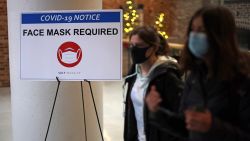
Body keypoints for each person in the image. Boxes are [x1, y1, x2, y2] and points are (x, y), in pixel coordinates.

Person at [146, 6, 250, 141]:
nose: (194, 36)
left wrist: (213, 127)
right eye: (193, 30)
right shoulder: (196, 76)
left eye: (201, 30)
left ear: (219, 34)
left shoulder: (243, 79)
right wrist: (156, 112)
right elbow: (186, 127)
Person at [123, 25, 183, 141]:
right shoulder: (134, 73)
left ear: (154, 48)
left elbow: (178, 116)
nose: (134, 49)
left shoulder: (167, 76)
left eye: (139, 45)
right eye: (132, 45)